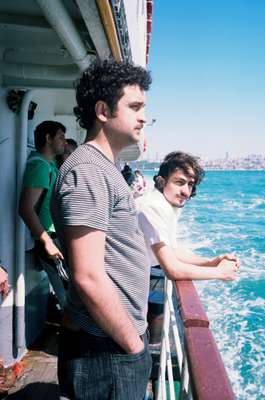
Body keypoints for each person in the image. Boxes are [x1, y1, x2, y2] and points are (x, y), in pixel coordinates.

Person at [51, 59, 152, 400]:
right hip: (106, 350)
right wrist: (134, 346)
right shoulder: (89, 172)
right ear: (103, 111)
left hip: (109, 344)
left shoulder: (102, 168)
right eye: (135, 106)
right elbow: (88, 276)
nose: (143, 117)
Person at [136, 151, 240, 281]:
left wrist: (211, 262)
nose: (186, 192)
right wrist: (220, 272)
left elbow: (172, 251)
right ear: (161, 182)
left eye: (190, 184)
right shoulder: (152, 207)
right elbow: (173, 270)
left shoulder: (164, 205)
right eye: (179, 182)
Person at [19, 121, 67, 310]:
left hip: (57, 238)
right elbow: (25, 208)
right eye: (60, 137)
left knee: (71, 293)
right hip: (51, 240)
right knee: (68, 296)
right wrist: (47, 242)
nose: (64, 142)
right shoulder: (39, 166)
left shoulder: (49, 164)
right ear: (48, 138)